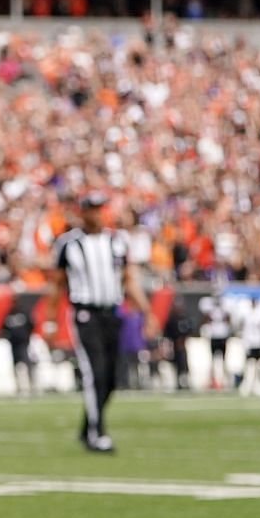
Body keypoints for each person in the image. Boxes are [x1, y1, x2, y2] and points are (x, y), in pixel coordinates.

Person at [49, 192, 150, 450]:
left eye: (99, 208)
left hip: (112, 313)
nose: (96, 214)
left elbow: (128, 279)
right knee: (95, 373)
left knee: (113, 377)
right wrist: (50, 322)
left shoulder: (117, 241)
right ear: (82, 212)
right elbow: (57, 284)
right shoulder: (68, 244)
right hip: (85, 314)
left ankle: (87, 429)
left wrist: (146, 311)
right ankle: (97, 433)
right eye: (91, 209)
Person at [0, 300, 37, 396]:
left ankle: (32, 385)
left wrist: (26, 336)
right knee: (15, 366)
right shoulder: (8, 315)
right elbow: (3, 329)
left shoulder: (24, 314)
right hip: (14, 345)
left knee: (27, 364)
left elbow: (32, 325)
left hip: (24, 344)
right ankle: (18, 386)